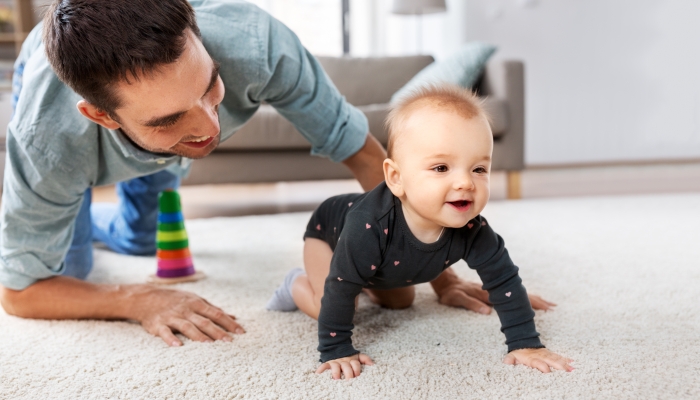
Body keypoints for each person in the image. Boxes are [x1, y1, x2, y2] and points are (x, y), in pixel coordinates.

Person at [0, 0, 505, 347]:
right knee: (73, 270)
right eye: (170, 118)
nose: (208, 129)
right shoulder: (49, 139)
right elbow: (20, 292)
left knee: (140, 240)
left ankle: (113, 205)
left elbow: (366, 158)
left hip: (139, 138)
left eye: (210, 87)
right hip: (70, 139)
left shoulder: (257, 44)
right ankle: (73, 208)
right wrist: (138, 298)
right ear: (103, 116)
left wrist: (439, 269)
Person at [266, 84, 571, 380]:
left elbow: (503, 279)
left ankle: (364, 273)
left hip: (379, 260)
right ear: (396, 178)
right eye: (441, 168)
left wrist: (526, 343)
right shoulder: (367, 225)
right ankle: (294, 284)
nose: (466, 183)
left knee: (400, 302)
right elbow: (340, 287)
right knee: (336, 303)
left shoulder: (472, 228)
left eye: (478, 169)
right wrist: (336, 350)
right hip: (328, 235)